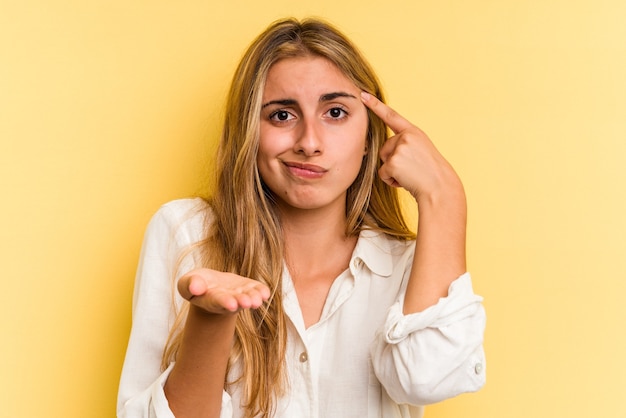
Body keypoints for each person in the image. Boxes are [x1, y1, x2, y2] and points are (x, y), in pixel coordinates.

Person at [117, 17, 486, 418]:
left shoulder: (411, 267)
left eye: (335, 112)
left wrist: (444, 195)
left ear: (369, 139)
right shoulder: (185, 232)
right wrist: (209, 320)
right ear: (249, 133)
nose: (309, 143)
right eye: (281, 116)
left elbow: (430, 380)